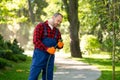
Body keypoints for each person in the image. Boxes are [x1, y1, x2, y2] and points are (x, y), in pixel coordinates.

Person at [28, 13, 64, 80]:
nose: (58, 23)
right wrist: (46, 49)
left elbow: (59, 42)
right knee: (33, 76)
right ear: (53, 17)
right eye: (58, 20)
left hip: (50, 58)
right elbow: (36, 41)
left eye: (60, 22)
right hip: (39, 56)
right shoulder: (40, 26)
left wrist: (60, 45)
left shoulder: (57, 31)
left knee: (48, 77)